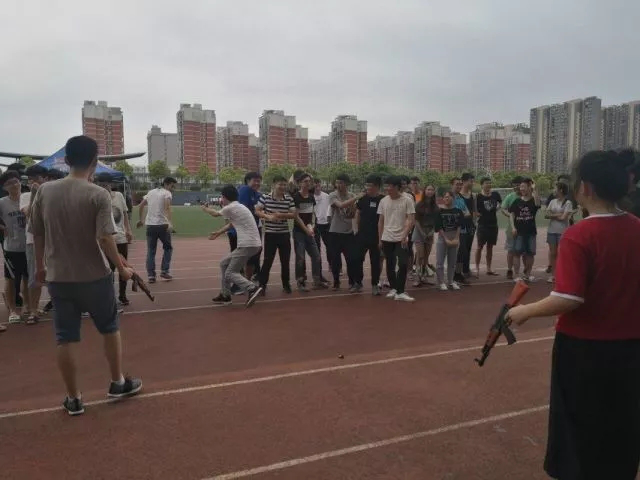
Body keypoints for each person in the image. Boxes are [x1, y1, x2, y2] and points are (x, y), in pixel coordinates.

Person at [507, 150, 640, 480]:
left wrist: (524, 311)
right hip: (631, 346)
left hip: (584, 349)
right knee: (622, 421)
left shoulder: (580, 235)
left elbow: (568, 298)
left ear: (586, 188)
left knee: (578, 427)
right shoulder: (636, 226)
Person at [30, 135, 142, 416]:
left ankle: (73, 398)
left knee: (65, 337)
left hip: (58, 276)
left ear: (66, 160)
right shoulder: (98, 194)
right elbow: (105, 238)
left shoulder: (45, 192)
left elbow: (38, 232)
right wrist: (122, 268)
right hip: (94, 276)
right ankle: (117, 382)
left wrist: (41, 266)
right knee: (109, 328)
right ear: (95, 161)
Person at [202, 185, 263, 307]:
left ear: (224, 197)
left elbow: (215, 214)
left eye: (222, 197)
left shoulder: (231, 207)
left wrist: (205, 208)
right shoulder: (239, 207)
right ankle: (225, 295)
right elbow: (231, 224)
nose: (221, 199)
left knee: (230, 273)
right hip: (252, 244)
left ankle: (252, 288)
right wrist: (218, 233)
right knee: (224, 263)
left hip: (247, 244)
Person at [95, 173, 133, 305]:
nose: (104, 187)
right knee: (109, 270)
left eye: (106, 184)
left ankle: (122, 295)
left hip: (120, 238)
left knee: (124, 267)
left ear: (111, 184)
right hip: (106, 239)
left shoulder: (119, 196)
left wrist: (128, 229)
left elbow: (124, 213)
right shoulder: (97, 197)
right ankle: (110, 298)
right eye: (101, 185)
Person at [377, 175, 416, 302]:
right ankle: (394, 288)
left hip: (401, 238)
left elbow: (411, 220)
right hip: (387, 237)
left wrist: (405, 235)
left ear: (397, 187)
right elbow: (381, 221)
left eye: (390, 186)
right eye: (387, 186)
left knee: (403, 263)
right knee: (390, 263)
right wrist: (380, 239)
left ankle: (400, 291)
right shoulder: (383, 201)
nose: (387, 189)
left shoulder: (407, 200)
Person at [255, 175, 295, 295]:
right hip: (270, 234)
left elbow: (294, 214)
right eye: (280, 184)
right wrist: (268, 216)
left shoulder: (288, 199)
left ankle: (286, 284)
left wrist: (280, 215)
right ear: (273, 185)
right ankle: (262, 286)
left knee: (285, 261)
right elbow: (257, 210)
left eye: (284, 184)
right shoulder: (265, 197)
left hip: (284, 234)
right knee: (268, 261)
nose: (282, 187)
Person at [19, 164, 49, 324]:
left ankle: (62, 306)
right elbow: (29, 214)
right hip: (33, 241)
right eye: (30, 179)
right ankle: (33, 310)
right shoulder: (25, 196)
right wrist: (34, 194)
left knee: (57, 274)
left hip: (54, 240)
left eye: (36, 178)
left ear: (45, 178)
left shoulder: (52, 193)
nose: (33, 182)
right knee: (35, 275)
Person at [0, 170, 29, 325]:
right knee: (10, 279)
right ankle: (12, 310)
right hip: (11, 247)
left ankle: (27, 307)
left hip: (29, 245)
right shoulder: (2, 202)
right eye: (9, 183)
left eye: (16, 181)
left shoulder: (27, 197)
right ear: (4, 187)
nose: (14, 185)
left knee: (28, 278)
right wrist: (2, 227)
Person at [137, 176, 176, 283]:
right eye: (172, 186)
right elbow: (167, 208)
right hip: (162, 225)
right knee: (168, 248)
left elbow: (140, 206)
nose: (173, 189)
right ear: (166, 184)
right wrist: (169, 222)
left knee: (151, 251)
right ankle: (164, 271)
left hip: (150, 226)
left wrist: (141, 220)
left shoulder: (150, 192)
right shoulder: (167, 193)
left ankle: (151, 275)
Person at [328, 174, 360, 290]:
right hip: (335, 232)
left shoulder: (351, 195)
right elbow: (340, 205)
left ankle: (352, 282)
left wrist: (353, 207)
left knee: (351, 259)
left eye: (341, 183)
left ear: (347, 184)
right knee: (335, 259)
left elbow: (353, 213)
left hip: (349, 232)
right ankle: (336, 282)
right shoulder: (333, 195)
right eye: (337, 183)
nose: (338, 185)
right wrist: (356, 198)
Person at [354, 174, 384, 295]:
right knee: (357, 258)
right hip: (362, 234)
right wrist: (356, 229)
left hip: (376, 235)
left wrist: (382, 237)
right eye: (366, 185)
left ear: (377, 186)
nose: (367, 188)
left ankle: (375, 285)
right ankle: (358, 283)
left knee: (375, 262)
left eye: (370, 185)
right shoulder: (363, 199)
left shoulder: (383, 200)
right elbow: (358, 213)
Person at [509, 178, 540, 282]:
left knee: (530, 253)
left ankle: (528, 274)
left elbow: (538, 204)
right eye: (520, 186)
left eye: (524, 186)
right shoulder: (517, 201)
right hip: (519, 232)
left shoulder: (533, 200)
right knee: (517, 253)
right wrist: (513, 227)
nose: (521, 188)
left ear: (529, 187)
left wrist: (535, 189)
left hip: (531, 232)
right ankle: (517, 275)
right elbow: (511, 214)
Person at [544, 182, 574, 284]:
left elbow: (563, 218)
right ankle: (554, 275)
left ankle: (563, 274)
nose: (553, 190)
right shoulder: (552, 201)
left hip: (562, 232)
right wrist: (558, 214)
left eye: (555, 188)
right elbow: (546, 214)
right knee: (553, 253)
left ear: (560, 190)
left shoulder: (568, 203)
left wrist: (553, 215)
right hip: (551, 231)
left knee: (562, 254)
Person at [434, 191, 464, 291]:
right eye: (445, 197)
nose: (447, 198)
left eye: (449, 197)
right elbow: (438, 227)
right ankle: (441, 282)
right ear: (443, 199)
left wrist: (456, 238)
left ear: (453, 198)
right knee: (440, 262)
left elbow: (459, 225)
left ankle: (451, 281)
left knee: (452, 262)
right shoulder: (439, 211)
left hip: (454, 236)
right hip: (443, 237)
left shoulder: (458, 211)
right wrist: (446, 239)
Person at [238, 172, 263, 282]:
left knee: (256, 251)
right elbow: (243, 210)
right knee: (249, 253)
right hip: (247, 228)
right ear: (248, 181)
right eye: (255, 181)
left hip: (256, 227)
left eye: (259, 181)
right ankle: (245, 280)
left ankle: (254, 275)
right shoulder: (244, 190)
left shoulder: (257, 194)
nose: (257, 183)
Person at [412, 184, 439, 287]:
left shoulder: (435, 206)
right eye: (428, 189)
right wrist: (422, 232)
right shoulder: (419, 205)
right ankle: (417, 277)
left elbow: (436, 220)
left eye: (432, 190)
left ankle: (423, 276)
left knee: (426, 257)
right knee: (420, 255)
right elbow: (416, 220)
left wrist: (431, 232)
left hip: (430, 232)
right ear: (425, 191)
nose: (430, 191)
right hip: (419, 232)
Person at [474, 177, 502, 276]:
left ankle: (489, 268)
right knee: (479, 247)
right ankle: (476, 268)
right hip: (482, 225)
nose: (488, 185)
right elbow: (474, 209)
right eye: (486, 183)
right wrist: (476, 214)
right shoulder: (478, 196)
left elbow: (500, 203)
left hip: (493, 224)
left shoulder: (495, 194)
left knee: (490, 247)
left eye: (490, 183)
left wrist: (498, 207)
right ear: (482, 185)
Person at [501, 176, 524, 280]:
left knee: (523, 251)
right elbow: (503, 208)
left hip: (525, 228)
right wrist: (510, 215)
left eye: (518, 185)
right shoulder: (510, 196)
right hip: (511, 228)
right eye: (514, 185)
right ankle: (510, 269)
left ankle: (524, 272)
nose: (516, 187)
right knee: (511, 250)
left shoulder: (528, 196)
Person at [313, 178, 331, 283]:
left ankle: (331, 264)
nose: (317, 188)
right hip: (315, 226)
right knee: (317, 249)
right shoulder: (310, 197)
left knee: (330, 246)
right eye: (315, 186)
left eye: (318, 185)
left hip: (326, 224)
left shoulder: (326, 196)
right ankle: (318, 273)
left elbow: (330, 208)